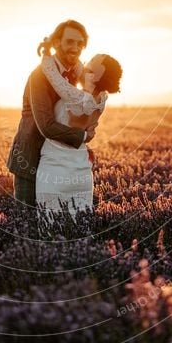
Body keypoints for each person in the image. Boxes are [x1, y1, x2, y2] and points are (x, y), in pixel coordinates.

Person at [6, 20, 98, 215]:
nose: (75, 48)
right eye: (70, 42)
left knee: (58, 220)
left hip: (60, 162)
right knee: (28, 224)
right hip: (31, 159)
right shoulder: (40, 76)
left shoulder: (75, 74)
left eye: (80, 43)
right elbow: (46, 126)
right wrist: (82, 136)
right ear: (57, 43)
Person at [34, 45, 122, 221]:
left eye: (98, 57)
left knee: (51, 230)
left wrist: (46, 56)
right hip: (80, 169)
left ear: (96, 75)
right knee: (80, 229)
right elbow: (80, 70)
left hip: (55, 168)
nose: (95, 54)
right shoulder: (101, 98)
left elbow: (53, 77)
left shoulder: (80, 98)